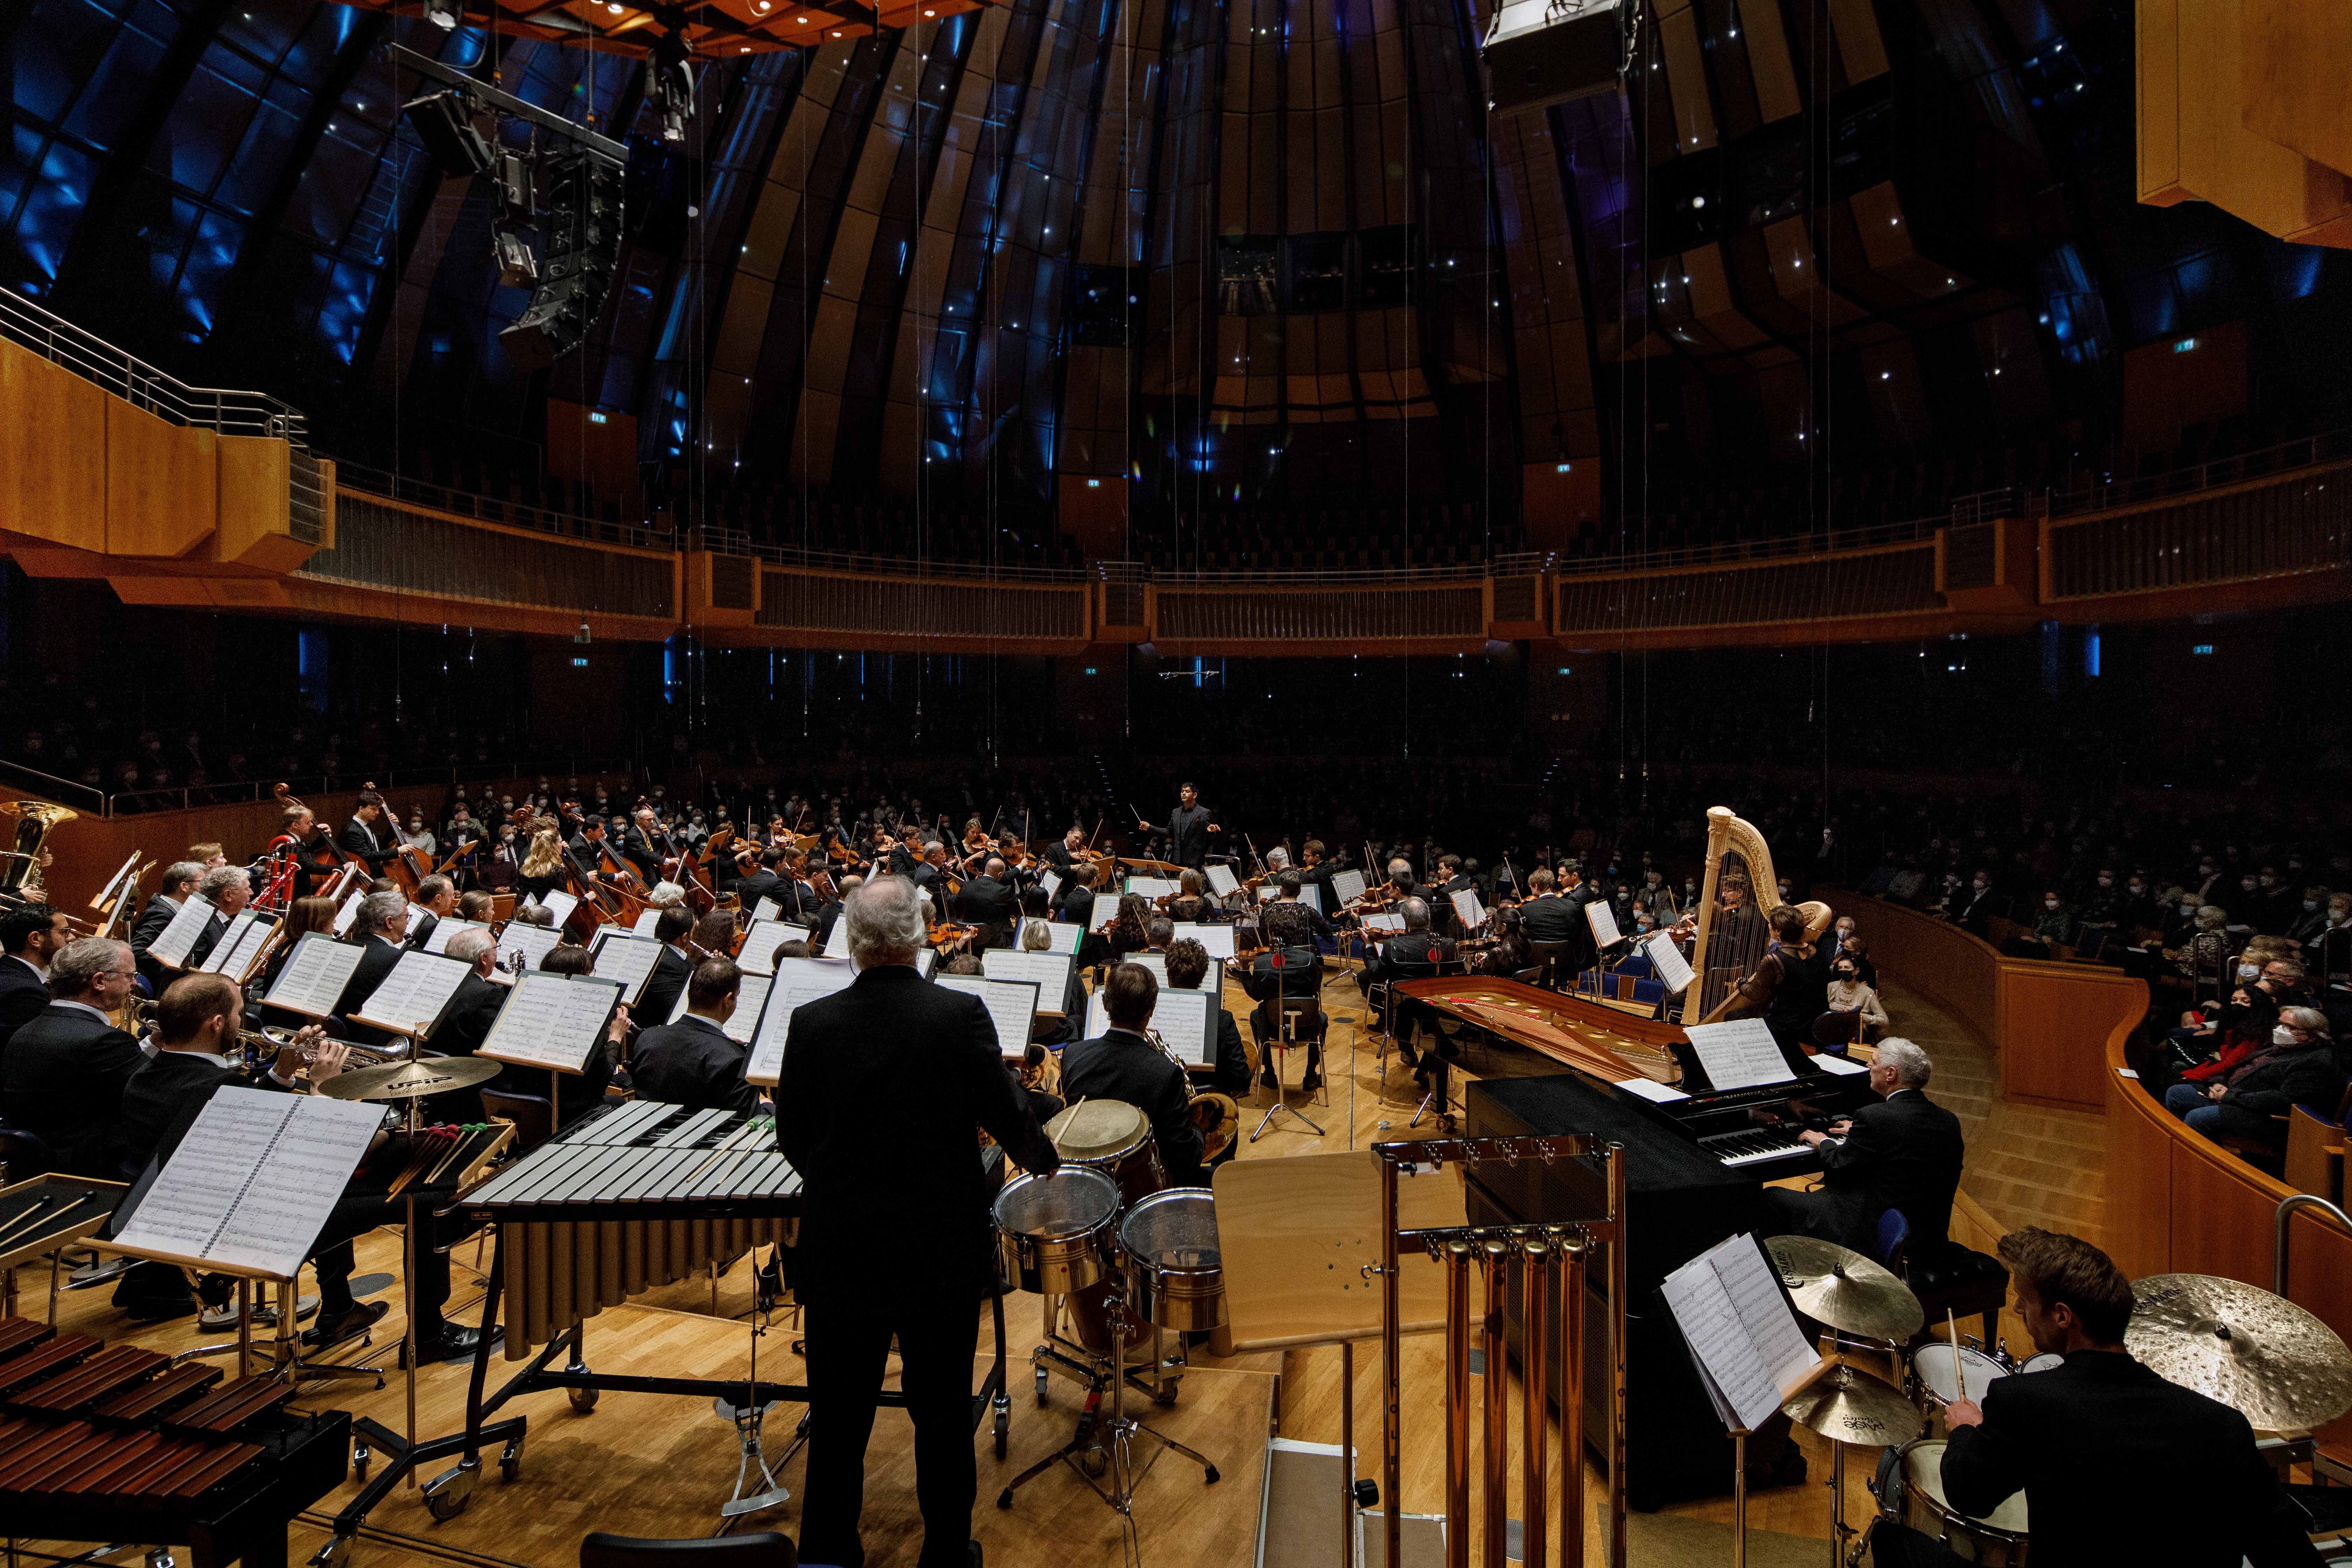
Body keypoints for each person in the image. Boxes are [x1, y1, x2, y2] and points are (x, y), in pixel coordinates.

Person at [775, 875, 1060, 1568]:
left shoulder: (811, 1024)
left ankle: (829, 1550)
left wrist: (847, 1178)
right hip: (939, 1251)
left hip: (842, 1247)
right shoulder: (956, 1014)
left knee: (838, 1415)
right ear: (919, 934)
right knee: (940, 1411)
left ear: (854, 940)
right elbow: (1005, 1113)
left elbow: (792, 1135)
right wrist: (1044, 1155)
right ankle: (943, 1549)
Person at [1869, 1226, 2322, 1568]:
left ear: (2063, 1316)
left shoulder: (2023, 1401)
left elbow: (1969, 1494)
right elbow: (2283, 1551)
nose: (2017, 1311)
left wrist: (1968, 1428)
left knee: (1892, 1542)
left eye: (2025, 1300)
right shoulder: (2224, 1426)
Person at [1768, 1037, 1963, 1260]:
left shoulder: (1874, 1117)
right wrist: (1860, 1133)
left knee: (1773, 1196)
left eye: (1874, 1062)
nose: (1868, 1066)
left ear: (1891, 1074)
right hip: (1927, 1232)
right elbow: (1903, 1143)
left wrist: (1824, 1141)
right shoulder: (1948, 1119)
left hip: (1874, 1230)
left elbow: (1838, 1165)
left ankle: (1798, 1266)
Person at [0, 937, 142, 1177]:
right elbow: (153, 1091)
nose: (134, 984)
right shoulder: (105, 1042)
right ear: (99, 981)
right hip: (90, 1174)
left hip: (31, 1169)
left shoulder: (25, 1031)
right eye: (129, 976)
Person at [1062, 962, 1206, 1186]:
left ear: (1105, 1005)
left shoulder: (1073, 1055)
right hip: (1141, 1188)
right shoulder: (1166, 1074)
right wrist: (1196, 1125)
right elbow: (1184, 1162)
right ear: (1151, 1010)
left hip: (1085, 1181)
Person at [2162, 1007, 2342, 1161]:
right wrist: (2218, 1085)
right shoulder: (2279, 1046)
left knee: (2198, 1117)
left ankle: (2207, 1165)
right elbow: (2242, 1068)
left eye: (2289, 1027)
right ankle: (2179, 1151)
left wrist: (2230, 1096)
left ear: (2312, 1034)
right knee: (2178, 1092)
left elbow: (2286, 1101)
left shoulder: (2314, 1061)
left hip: (2269, 1118)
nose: (2280, 1030)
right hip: (2240, 1100)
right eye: (2280, 1024)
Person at [632, 958, 760, 1112]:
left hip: (645, 1132)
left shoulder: (648, 1038)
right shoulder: (732, 1060)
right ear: (727, 1000)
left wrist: (723, 1047)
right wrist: (765, 1102)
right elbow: (747, 1120)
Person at [1164, 937, 1251, 1098]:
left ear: (1168, 972)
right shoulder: (1222, 1020)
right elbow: (1242, 1080)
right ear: (1203, 976)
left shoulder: (1152, 1017)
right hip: (1211, 1113)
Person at [0, 902, 69, 1050]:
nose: (72, 938)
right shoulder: (25, 993)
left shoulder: (8, 970)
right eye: (64, 932)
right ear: (36, 939)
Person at [1150, 782, 1220, 871]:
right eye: (1182, 791)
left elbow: (1210, 837)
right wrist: (1150, 827)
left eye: (1187, 791)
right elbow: (1169, 832)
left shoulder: (1204, 812)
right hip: (1178, 859)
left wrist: (1210, 831)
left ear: (1194, 795)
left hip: (1195, 861)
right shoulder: (1176, 812)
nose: (1184, 793)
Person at [341, 789, 400, 873]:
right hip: (363, 876)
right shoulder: (352, 830)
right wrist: (397, 851)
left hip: (375, 873)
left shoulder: (367, 825)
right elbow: (366, 855)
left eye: (379, 809)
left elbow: (379, 847)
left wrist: (393, 827)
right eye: (374, 809)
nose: (377, 813)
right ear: (361, 809)